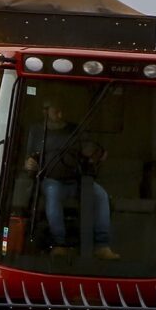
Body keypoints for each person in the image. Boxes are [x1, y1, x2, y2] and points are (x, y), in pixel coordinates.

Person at [22, 100, 119, 260]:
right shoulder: (37, 131)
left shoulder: (75, 130)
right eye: (56, 109)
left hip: (77, 180)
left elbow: (89, 149)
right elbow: (28, 157)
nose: (60, 114)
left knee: (101, 195)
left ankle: (102, 246)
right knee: (53, 195)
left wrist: (96, 154)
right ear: (45, 111)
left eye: (62, 109)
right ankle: (59, 244)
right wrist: (28, 163)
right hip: (51, 180)